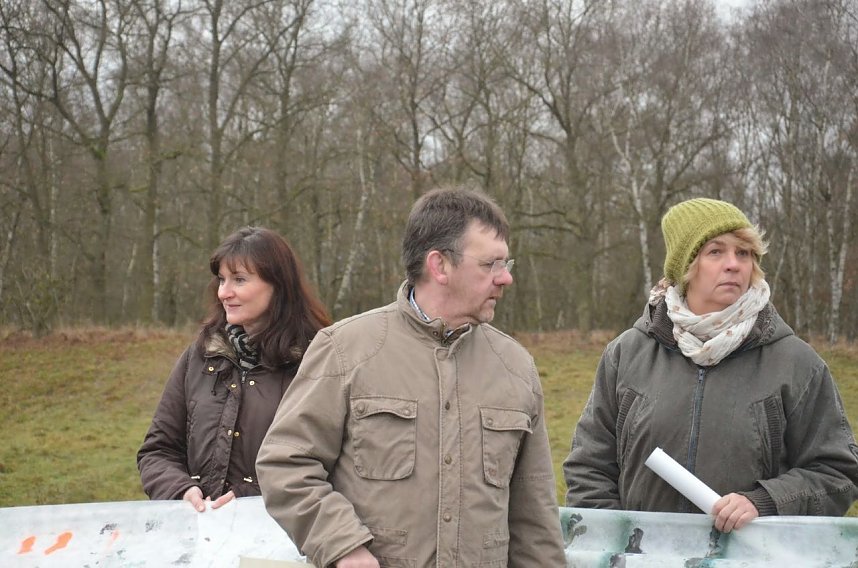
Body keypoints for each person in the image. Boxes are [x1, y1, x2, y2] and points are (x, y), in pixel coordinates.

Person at [256, 187, 566, 567]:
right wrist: (343, 547)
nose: (505, 279)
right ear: (440, 266)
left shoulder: (516, 367)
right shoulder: (345, 350)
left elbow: (535, 519)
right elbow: (286, 463)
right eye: (491, 265)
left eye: (506, 264)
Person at [563, 197, 858, 533]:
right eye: (716, 252)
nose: (733, 264)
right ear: (685, 266)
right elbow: (589, 467)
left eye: (743, 253)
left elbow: (838, 473)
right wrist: (618, 546)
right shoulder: (626, 354)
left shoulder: (797, 363)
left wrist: (764, 501)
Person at [137, 226, 331, 512]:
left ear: (278, 285)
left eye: (239, 280)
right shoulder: (200, 356)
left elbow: (334, 465)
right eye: (221, 280)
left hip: (284, 541)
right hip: (202, 536)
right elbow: (158, 450)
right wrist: (181, 489)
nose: (224, 293)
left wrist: (250, 496)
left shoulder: (318, 361)